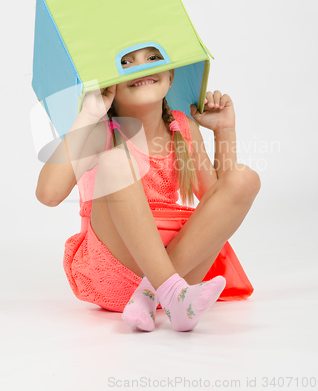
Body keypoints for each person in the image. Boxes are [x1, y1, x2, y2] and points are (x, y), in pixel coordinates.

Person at [36, 46, 261, 332]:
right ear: (109, 84)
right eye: (125, 62)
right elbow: (48, 194)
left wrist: (224, 131)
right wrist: (88, 116)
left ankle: (159, 294)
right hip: (114, 266)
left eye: (153, 58)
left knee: (244, 179)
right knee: (117, 160)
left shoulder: (183, 127)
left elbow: (219, 205)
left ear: (170, 75)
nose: (140, 67)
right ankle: (167, 292)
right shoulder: (100, 131)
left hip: (178, 266)